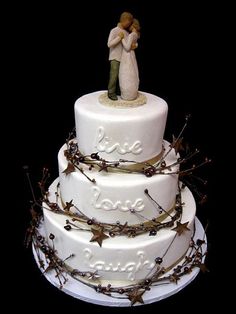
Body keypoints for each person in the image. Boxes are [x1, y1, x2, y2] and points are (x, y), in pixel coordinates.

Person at [107, 12, 133, 101]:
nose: (128, 24)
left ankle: (119, 91)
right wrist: (118, 37)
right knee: (114, 75)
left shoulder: (126, 33)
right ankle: (111, 92)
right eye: (128, 22)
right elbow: (109, 44)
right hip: (115, 57)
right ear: (123, 20)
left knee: (122, 76)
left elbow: (127, 45)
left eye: (130, 23)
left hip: (124, 59)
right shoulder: (114, 30)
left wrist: (133, 45)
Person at [119, 19, 140, 101]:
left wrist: (122, 39)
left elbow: (127, 48)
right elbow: (134, 44)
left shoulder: (131, 35)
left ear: (132, 25)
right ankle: (132, 93)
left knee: (126, 73)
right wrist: (136, 45)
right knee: (132, 72)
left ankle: (127, 94)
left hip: (127, 55)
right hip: (132, 55)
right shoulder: (136, 35)